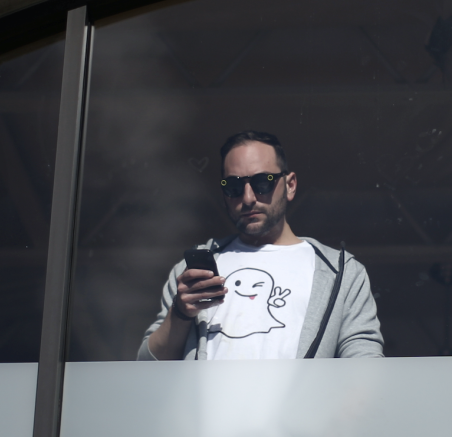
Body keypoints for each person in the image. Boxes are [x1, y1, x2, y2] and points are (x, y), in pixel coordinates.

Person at [139, 131, 383, 360]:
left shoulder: (340, 271)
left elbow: (364, 367)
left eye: (263, 182)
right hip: (209, 407)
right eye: (233, 186)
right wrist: (181, 314)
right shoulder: (192, 272)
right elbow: (148, 364)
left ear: (290, 185)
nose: (248, 198)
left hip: (301, 406)